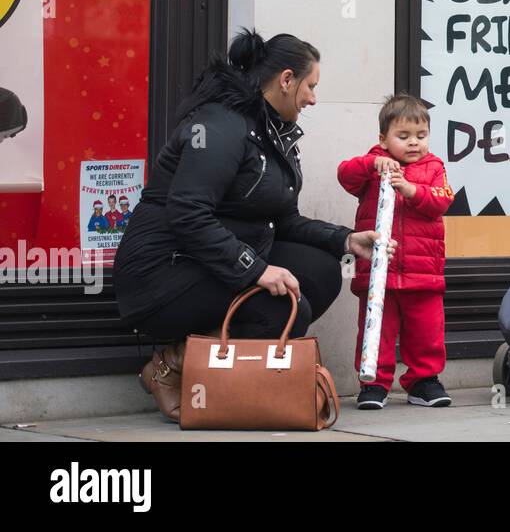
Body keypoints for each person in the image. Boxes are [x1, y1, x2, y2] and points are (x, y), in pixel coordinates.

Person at [115, 29, 395, 421]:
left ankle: (201, 358)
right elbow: (187, 213)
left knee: (320, 272)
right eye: (310, 85)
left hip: (211, 261)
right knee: (286, 310)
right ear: (285, 80)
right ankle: (170, 365)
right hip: (162, 272)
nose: (314, 97)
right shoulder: (219, 127)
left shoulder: (270, 131)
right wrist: (257, 270)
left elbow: (284, 221)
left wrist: (346, 240)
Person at [339, 94, 455, 410]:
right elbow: (345, 175)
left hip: (423, 270)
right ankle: (374, 383)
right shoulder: (372, 165)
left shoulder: (433, 168)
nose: (414, 143)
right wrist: (372, 163)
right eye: (403, 136)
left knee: (426, 332)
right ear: (384, 139)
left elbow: (442, 200)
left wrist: (411, 190)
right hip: (379, 270)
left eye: (421, 136)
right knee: (376, 329)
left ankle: (423, 381)